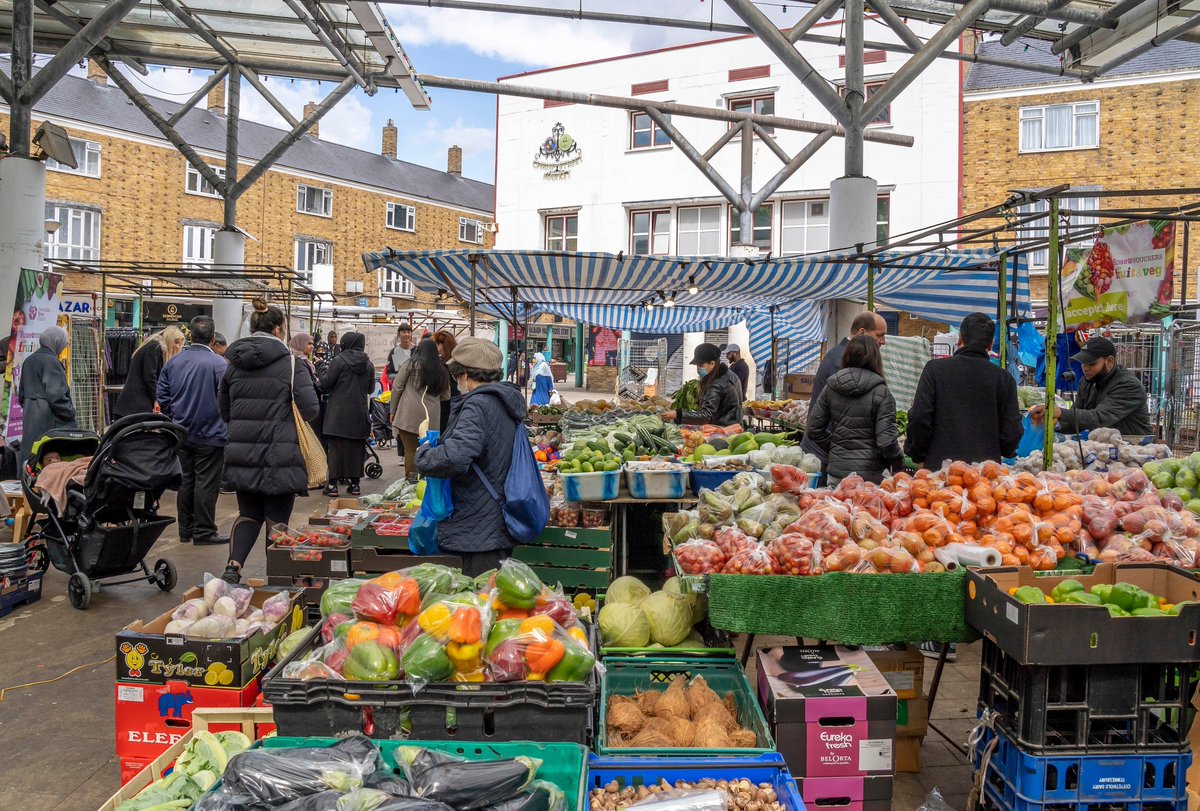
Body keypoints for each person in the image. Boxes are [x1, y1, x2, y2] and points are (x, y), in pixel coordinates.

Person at [219, 299, 319, 584]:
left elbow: (224, 412)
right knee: (277, 518)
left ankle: (233, 567)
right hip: (280, 454)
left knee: (248, 513)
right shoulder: (291, 364)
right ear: (279, 330)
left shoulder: (233, 366)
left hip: (242, 452)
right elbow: (311, 409)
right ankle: (276, 576)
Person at [415, 338, 528, 577]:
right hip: (494, 513)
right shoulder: (503, 400)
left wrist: (424, 452)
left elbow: (456, 457)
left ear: (464, 374)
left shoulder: (478, 406)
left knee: (481, 598)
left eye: (457, 375)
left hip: (480, 522)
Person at [905, 312, 1022, 468]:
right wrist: (1004, 450)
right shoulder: (1004, 379)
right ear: (990, 344)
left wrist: (918, 454)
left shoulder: (935, 370)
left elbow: (920, 416)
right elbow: (1011, 431)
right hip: (984, 476)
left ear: (960, 339)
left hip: (940, 472)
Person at [156, 316, 228, 546]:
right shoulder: (219, 364)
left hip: (181, 431)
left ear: (190, 336)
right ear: (213, 337)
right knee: (206, 483)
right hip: (211, 433)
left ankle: (185, 529)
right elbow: (226, 398)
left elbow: (163, 397)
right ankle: (204, 531)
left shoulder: (174, 363)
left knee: (186, 481)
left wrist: (176, 416)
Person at [805, 335, 904, 485]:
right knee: (865, 509)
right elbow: (886, 441)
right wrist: (898, 464)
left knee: (836, 508)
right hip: (870, 478)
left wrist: (835, 446)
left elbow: (813, 428)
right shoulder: (882, 392)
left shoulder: (831, 387)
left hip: (837, 474)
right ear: (875, 358)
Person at [801, 312, 888, 462]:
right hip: (824, 455)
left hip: (824, 451)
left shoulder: (839, 354)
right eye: (879, 335)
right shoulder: (842, 362)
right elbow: (849, 415)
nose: (883, 341)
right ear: (862, 332)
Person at [1028, 336, 1152, 436]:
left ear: (1110, 361)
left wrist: (1060, 412)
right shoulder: (1087, 381)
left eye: (1091, 364)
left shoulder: (1128, 386)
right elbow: (1078, 420)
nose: (1085, 368)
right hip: (1103, 447)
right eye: (1083, 363)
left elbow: (1099, 419)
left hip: (1135, 449)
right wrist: (1054, 424)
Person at [319, 332, 374, 496]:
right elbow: (371, 389)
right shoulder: (368, 364)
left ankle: (333, 486)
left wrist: (321, 368)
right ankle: (355, 485)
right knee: (356, 449)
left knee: (335, 449)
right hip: (359, 412)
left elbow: (326, 383)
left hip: (338, 413)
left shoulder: (339, 360)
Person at [392, 338, 452, 481]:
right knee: (428, 451)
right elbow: (446, 396)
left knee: (410, 450)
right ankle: (425, 483)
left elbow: (397, 387)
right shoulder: (442, 370)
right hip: (431, 419)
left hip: (408, 415)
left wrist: (392, 410)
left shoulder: (410, 365)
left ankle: (411, 483)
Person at [17, 326, 76, 470]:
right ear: (56, 341)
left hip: (31, 414)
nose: (64, 346)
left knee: (32, 452)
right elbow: (56, 396)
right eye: (63, 342)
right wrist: (70, 413)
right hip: (49, 417)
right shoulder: (52, 361)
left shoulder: (29, 360)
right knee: (50, 454)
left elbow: (21, 394)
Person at [661, 343, 743, 426]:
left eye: (701, 365)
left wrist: (677, 414)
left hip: (724, 429)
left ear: (712, 363)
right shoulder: (728, 374)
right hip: (732, 424)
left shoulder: (716, 384)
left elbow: (706, 415)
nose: (698, 368)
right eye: (697, 365)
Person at [112, 326, 185, 419]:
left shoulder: (153, 346)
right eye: (176, 342)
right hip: (136, 407)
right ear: (169, 339)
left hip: (132, 407)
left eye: (180, 343)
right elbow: (150, 376)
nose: (178, 346)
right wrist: (156, 399)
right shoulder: (155, 347)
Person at [289, 332, 322, 436]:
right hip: (304, 411)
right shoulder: (299, 362)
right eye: (308, 344)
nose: (312, 346)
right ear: (300, 344)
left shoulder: (305, 361)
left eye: (312, 344)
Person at [432, 330, 460, 430]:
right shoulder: (457, 361)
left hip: (445, 403)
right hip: (457, 401)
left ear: (441, 345)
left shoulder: (442, 364)